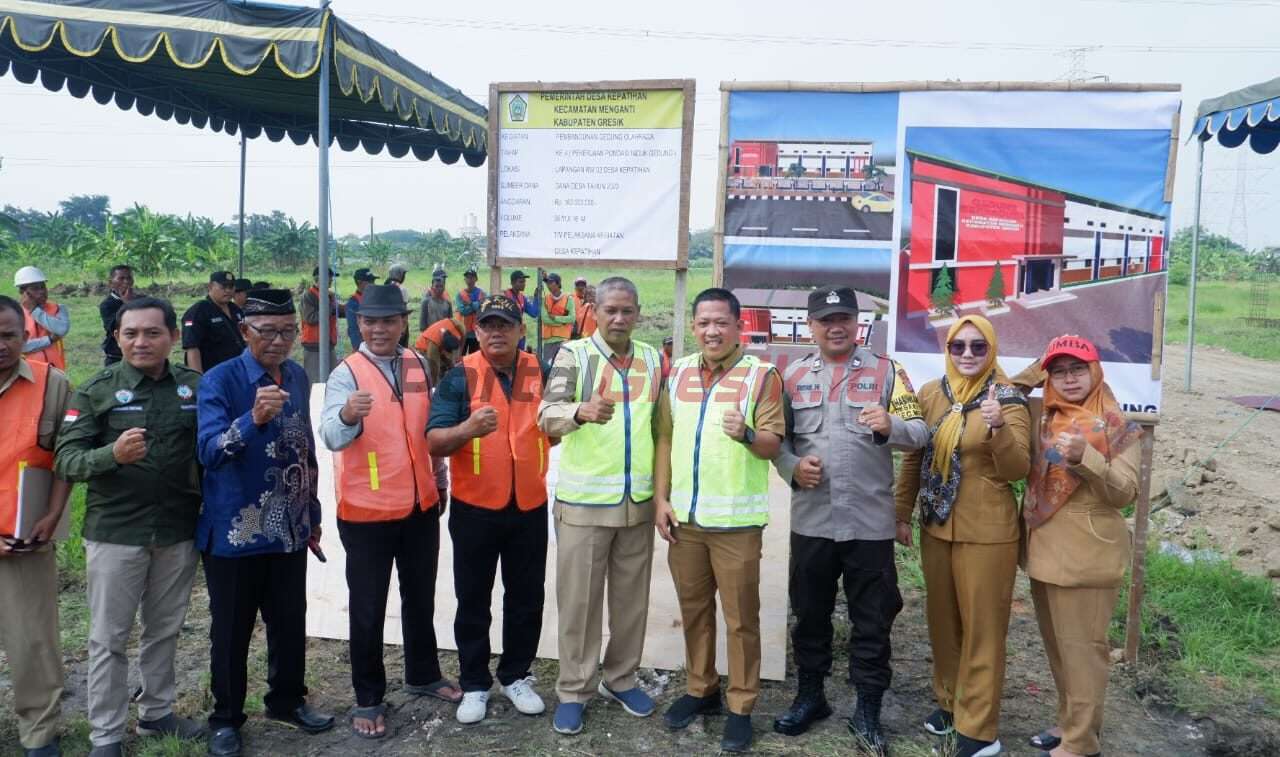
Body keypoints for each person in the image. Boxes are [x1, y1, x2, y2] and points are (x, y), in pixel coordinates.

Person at [770, 287, 929, 752]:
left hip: (869, 523)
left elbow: (919, 431)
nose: (835, 326)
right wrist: (792, 468)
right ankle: (810, 696)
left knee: (873, 619)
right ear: (810, 326)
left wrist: (891, 427)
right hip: (812, 521)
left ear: (858, 321)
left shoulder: (888, 372)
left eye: (844, 317)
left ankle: (868, 708)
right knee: (810, 615)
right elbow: (774, 441)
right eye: (825, 319)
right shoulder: (792, 376)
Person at [55, 297, 207, 756]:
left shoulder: (194, 387)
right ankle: (105, 734)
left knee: (165, 628)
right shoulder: (97, 389)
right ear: (117, 337)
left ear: (172, 338)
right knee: (108, 638)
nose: (141, 341)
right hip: (116, 532)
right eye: (131, 333)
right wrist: (111, 455)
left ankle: (157, 713)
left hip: (177, 529)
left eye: (152, 333)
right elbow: (66, 460)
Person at [195, 289, 334, 756]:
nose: (279, 341)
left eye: (288, 331)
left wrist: (311, 513)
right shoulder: (219, 381)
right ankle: (226, 719)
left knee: (290, 623)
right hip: (235, 533)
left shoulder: (296, 375)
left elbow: (305, 449)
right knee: (231, 631)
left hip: (290, 529)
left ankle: (287, 700)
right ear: (244, 331)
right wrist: (251, 419)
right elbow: (209, 451)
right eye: (267, 331)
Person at [320, 284, 461, 740]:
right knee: (368, 608)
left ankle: (422, 674)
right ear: (359, 324)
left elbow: (428, 429)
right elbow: (330, 436)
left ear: (403, 323)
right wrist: (346, 415)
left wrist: (439, 481)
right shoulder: (348, 373)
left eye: (388, 321)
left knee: (420, 596)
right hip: (367, 513)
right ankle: (368, 697)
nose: (379, 329)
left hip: (420, 505)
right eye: (370, 322)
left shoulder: (418, 363)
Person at [654, 288, 785, 754]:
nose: (712, 331)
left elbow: (773, 443)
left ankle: (742, 704)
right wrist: (661, 499)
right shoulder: (680, 372)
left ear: (738, 327)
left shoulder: (762, 375)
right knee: (694, 612)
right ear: (694, 326)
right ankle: (700, 689)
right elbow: (665, 437)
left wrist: (747, 434)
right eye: (704, 322)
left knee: (740, 620)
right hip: (684, 521)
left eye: (721, 323)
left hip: (736, 524)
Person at [893, 315, 1030, 757]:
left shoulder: (1006, 398)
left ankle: (979, 727)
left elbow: (1017, 470)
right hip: (937, 525)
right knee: (943, 623)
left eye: (977, 347)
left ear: (990, 351)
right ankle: (950, 704)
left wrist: (998, 429)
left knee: (983, 631)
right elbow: (916, 456)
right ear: (948, 350)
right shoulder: (933, 393)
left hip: (987, 533)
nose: (967, 355)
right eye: (958, 346)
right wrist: (901, 513)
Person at [538, 277, 660, 736]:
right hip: (585, 503)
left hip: (637, 502)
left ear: (638, 312)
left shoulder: (651, 358)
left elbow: (660, 426)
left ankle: (621, 678)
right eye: (610, 310)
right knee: (579, 603)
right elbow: (544, 413)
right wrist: (578, 412)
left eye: (627, 310)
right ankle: (574, 689)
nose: (619, 318)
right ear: (597, 310)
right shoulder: (575, 355)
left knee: (631, 602)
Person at [427, 295, 552, 726]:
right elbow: (434, 440)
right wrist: (467, 428)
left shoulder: (541, 370)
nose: (496, 333)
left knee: (526, 598)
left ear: (520, 329)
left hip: (530, 506)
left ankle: (516, 675)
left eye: (505, 325)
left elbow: (556, 425)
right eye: (488, 326)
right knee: (474, 599)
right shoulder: (459, 377)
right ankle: (475, 683)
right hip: (476, 508)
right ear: (476, 332)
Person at [1022, 335, 1141, 757]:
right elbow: (1006, 388)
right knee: (1060, 650)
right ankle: (1068, 722)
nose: (1069, 379)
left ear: (1096, 370)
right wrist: (1037, 365)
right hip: (1043, 551)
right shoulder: (1046, 414)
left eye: (1078, 369)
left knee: (1084, 653)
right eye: (1058, 370)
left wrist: (1086, 458)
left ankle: (1081, 743)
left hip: (1087, 556)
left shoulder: (1115, 424)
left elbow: (1125, 492)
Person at [0, 294, 72, 757]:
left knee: (33, 645)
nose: (0, 344)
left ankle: (40, 735)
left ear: (27, 337)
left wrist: (53, 516)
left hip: (24, 540)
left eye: (8, 335)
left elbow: (67, 457)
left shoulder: (53, 384)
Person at [181, 271, 244, 373]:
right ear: (210, 286)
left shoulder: (235, 310)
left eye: (231, 287)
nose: (228, 290)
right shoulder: (199, 311)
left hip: (237, 371)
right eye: (223, 287)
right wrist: (197, 379)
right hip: (212, 373)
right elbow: (192, 348)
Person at [14, 266, 69, 371]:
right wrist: (49, 340)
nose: (42, 291)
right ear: (23, 292)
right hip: (28, 372)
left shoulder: (58, 308)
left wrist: (34, 311)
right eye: (35, 288)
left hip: (55, 371)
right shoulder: (15, 313)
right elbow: (19, 346)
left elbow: (61, 330)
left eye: (43, 287)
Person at [301, 265, 342, 382]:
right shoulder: (309, 296)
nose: (331, 281)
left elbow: (336, 312)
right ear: (321, 279)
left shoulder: (328, 296)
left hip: (328, 344)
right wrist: (328, 304)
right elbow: (310, 318)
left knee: (332, 379)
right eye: (330, 278)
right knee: (315, 381)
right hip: (314, 345)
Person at [414, 312, 466, 385]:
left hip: (440, 345)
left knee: (450, 364)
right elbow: (434, 367)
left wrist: (458, 355)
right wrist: (434, 385)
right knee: (433, 372)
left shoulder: (458, 327)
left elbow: (463, 339)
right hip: (423, 348)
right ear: (443, 349)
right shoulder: (433, 347)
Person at [98, 264, 135, 366]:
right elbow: (113, 326)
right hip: (116, 356)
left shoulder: (142, 300)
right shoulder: (107, 304)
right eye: (121, 278)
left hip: (138, 353)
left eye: (129, 278)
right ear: (111, 283)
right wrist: (127, 305)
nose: (126, 282)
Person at [539, 272, 576, 365]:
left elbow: (572, 318)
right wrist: (562, 322)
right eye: (547, 283)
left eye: (551, 282)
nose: (548, 285)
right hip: (548, 340)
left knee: (562, 367)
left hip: (563, 339)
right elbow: (545, 319)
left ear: (558, 284)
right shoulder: (545, 299)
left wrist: (555, 318)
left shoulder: (568, 299)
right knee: (548, 366)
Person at [503, 269, 540, 351]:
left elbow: (534, 313)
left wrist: (536, 297)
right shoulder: (504, 295)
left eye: (524, 282)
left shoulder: (522, 298)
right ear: (512, 283)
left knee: (519, 357)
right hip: (508, 333)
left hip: (520, 333)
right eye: (521, 282)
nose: (524, 284)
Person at [346, 268, 378, 351]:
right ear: (360, 282)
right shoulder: (353, 303)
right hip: (364, 349)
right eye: (370, 281)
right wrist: (360, 350)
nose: (373, 284)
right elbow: (354, 330)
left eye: (373, 281)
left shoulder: (375, 298)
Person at [455, 267, 486, 353]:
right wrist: (477, 304)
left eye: (472, 277)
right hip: (462, 331)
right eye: (467, 277)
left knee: (474, 356)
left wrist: (470, 304)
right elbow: (463, 311)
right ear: (464, 279)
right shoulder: (460, 295)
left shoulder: (482, 293)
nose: (470, 279)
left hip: (476, 332)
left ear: (476, 279)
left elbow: (484, 309)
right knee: (460, 357)